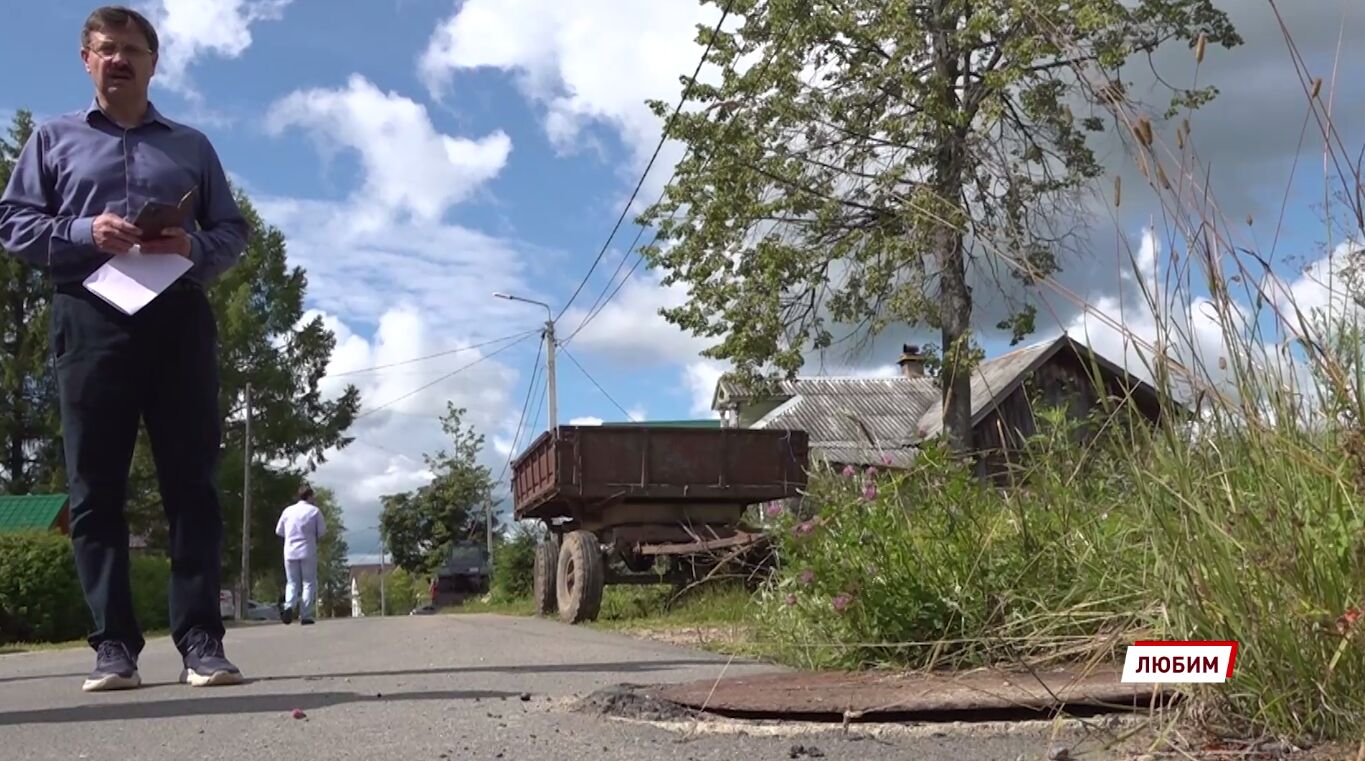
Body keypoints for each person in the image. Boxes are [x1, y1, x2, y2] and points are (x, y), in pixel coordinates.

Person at [0, 6, 249, 692]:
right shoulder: (52, 140)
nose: (119, 60)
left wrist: (191, 244)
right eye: (106, 49)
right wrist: (84, 231)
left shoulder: (192, 145)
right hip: (88, 315)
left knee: (193, 482)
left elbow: (233, 230)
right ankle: (113, 646)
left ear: (153, 62)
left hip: (177, 315)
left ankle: (201, 639)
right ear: (86, 59)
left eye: (132, 49)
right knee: (94, 487)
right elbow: (13, 223)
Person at [275, 486, 326, 625]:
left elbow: (279, 530)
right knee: (308, 583)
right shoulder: (314, 511)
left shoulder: (288, 511)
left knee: (292, 582)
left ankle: (289, 606)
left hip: (290, 550)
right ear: (309, 496)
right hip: (307, 550)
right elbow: (321, 532)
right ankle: (305, 615)